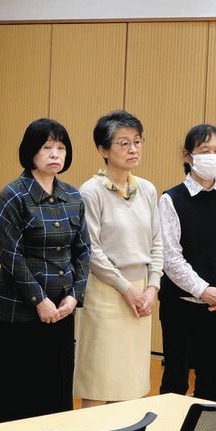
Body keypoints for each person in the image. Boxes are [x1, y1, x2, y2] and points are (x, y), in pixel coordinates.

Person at [0, 118, 90, 425]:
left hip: (61, 310)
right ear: (31, 151)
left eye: (61, 148)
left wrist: (74, 296)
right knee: (17, 396)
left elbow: (83, 250)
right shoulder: (14, 194)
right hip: (20, 312)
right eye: (47, 147)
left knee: (54, 393)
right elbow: (10, 255)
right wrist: (39, 300)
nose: (55, 154)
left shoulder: (73, 196)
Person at [158, 124, 216, 401]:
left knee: (211, 382)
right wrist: (202, 290)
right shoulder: (171, 199)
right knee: (175, 381)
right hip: (181, 304)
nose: (212, 157)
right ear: (187, 156)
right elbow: (170, 257)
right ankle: (172, 430)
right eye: (204, 151)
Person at [74, 111, 162, 406]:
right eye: (123, 143)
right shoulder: (91, 191)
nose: (133, 149)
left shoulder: (147, 189)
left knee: (130, 386)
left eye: (137, 141)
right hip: (106, 293)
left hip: (141, 294)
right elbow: (92, 250)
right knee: (99, 382)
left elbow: (157, 243)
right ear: (103, 150)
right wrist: (126, 288)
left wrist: (152, 288)